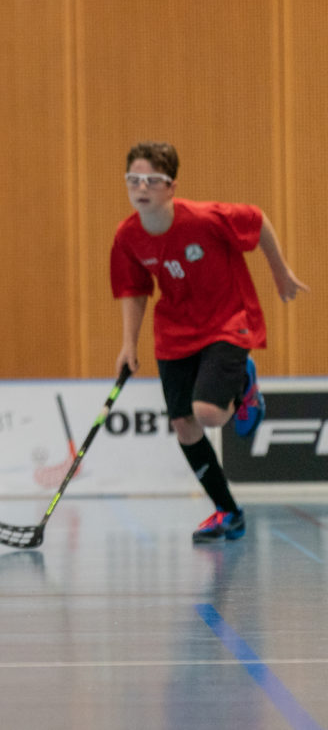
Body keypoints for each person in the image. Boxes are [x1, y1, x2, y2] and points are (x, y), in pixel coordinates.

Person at [111, 141, 307, 543]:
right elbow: (133, 289)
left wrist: (280, 272)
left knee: (210, 414)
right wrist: (129, 344)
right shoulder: (128, 237)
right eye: (133, 179)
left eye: (151, 179)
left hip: (226, 321)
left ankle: (244, 384)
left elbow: (257, 221)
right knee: (184, 425)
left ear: (171, 186)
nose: (141, 187)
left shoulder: (206, 218)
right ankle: (228, 511)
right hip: (175, 332)